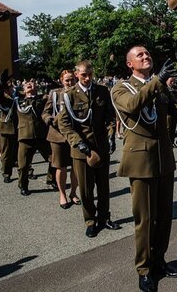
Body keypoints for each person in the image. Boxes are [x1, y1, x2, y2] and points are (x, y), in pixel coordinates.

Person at [111, 46, 177, 292]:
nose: (146, 56)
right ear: (129, 64)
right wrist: (158, 80)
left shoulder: (158, 85)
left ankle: (159, 260)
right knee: (145, 219)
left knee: (164, 216)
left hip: (164, 159)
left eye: (147, 53)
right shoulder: (120, 88)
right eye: (139, 55)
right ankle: (143, 269)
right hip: (141, 162)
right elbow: (132, 105)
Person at [58, 60, 120, 237]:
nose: (87, 78)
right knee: (85, 189)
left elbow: (109, 116)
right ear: (77, 74)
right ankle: (90, 220)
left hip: (101, 147)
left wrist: (111, 135)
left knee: (103, 186)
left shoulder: (101, 91)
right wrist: (78, 142)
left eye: (90, 74)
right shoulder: (69, 95)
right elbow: (64, 124)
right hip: (81, 150)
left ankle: (104, 218)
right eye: (84, 74)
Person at [42, 70, 80, 209]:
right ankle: (62, 194)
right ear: (61, 81)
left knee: (76, 167)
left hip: (76, 135)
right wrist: (49, 120)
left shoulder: (79, 93)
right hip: (57, 135)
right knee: (61, 167)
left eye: (72, 80)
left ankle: (73, 193)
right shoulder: (55, 94)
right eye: (67, 80)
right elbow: (45, 112)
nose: (70, 83)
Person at [15, 81, 56, 196]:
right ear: (23, 88)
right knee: (23, 165)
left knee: (54, 159)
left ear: (36, 87)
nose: (29, 84)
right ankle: (23, 185)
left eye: (32, 83)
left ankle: (51, 179)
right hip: (25, 137)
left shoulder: (43, 99)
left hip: (42, 136)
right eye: (26, 84)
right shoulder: (18, 101)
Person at [0, 70, 18, 183]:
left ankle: (26, 171)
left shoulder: (16, 96)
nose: (12, 87)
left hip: (19, 127)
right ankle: (6, 173)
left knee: (21, 152)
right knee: (6, 153)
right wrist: (1, 84)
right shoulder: (1, 97)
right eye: (10, 86)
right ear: (5, 88)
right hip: (6, 129)